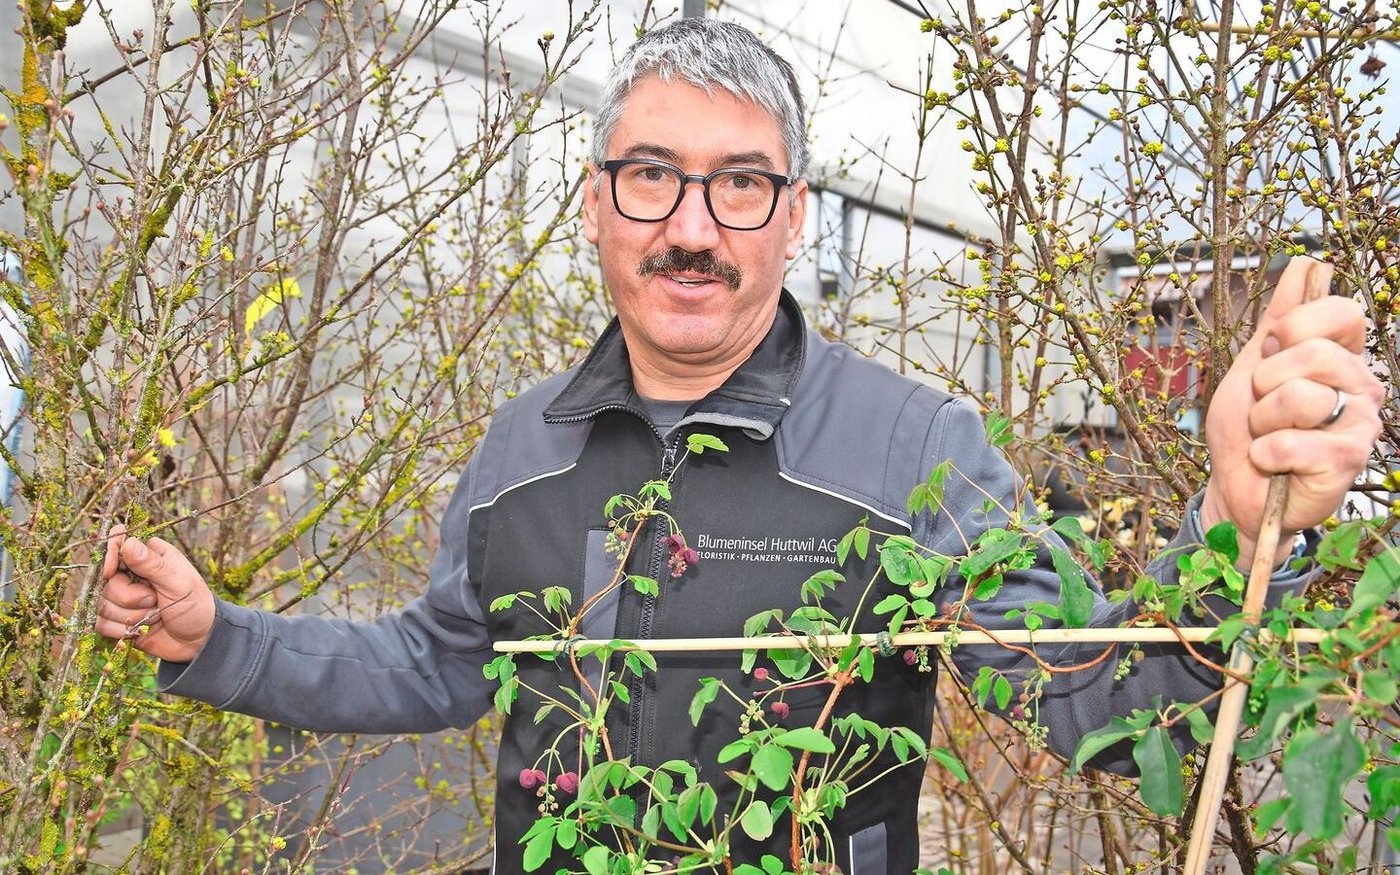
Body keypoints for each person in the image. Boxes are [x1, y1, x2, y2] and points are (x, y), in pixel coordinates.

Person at [96, 18, 1383, 874]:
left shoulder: (907, 448)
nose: (692, 226)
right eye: (650, 176)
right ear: (598, 204)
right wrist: (222, 637)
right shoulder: (521, 447)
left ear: (792, 217)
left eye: (741, 183)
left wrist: (1234, 520)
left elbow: (1102, 702)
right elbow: (436, 662)